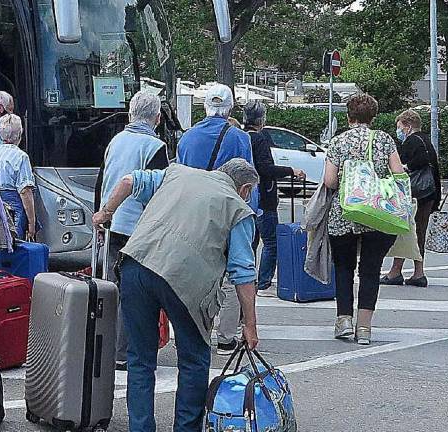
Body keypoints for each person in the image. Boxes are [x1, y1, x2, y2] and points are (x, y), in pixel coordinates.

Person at [92, 158, 259, 432]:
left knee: (140, 360)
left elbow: (128, 181)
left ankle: (141, 428)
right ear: (246, 189)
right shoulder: (238, 208)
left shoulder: (177, 172)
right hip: (185, 282)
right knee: (194, 361)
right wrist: (249, 325)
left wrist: (105, 213)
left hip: (136, 263)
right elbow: (243, 273)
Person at [177, 83, 254, 355]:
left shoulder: (186, 138)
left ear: (205, 107)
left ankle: (199, 331)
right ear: (230, 107)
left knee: (198, 275)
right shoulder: (239, 138)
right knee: (232, 278)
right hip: (228, 214)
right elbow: (248, 181)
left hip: (194, 215)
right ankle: (226, 336)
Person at [95, 91, 169, 371]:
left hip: (112, 223)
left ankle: (106, 345)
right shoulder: (155, 147)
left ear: (130, 114)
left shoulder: (115, 142)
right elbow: (159, 193)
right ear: (157, 118)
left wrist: (102, 215)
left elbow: (104, 179)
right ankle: (124, 352)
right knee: (135, 293)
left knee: (111, 288)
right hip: (139, 228)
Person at [323, 94, 405, 345]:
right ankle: (365, 328)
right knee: (370, 269)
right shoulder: (384, 140)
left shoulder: (338, 142)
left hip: (344, 213)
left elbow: (330, 181)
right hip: (377, 214)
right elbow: (398, 174)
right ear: (373, 116)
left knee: (344, 267)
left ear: (348, 116)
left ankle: (344, 320)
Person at [243, 101, 305, 296]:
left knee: (250, 241)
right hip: (264, 196)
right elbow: (265, 169)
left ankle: (248, 279)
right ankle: (263, 282)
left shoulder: (242, 138)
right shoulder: (260, 140)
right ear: (261, 119)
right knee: (271, 241)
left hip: (247, 196)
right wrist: (290, 171)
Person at [381, 109, 441, 287]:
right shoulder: (426, 140)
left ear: (407, 126)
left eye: (399, 127)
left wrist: (405, 167)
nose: (398, 131)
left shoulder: (412, 142)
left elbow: (407, 165)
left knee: (404, 230)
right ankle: (416, 272)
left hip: (415, 194)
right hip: (428, 193)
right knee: (418, 232)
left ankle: (397, 271)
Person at [0, 113, 38, 241]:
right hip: (14, 209)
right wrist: (32, 222)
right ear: (20, 134)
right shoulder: (21, 157)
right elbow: (25, 191)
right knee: (15, 245)